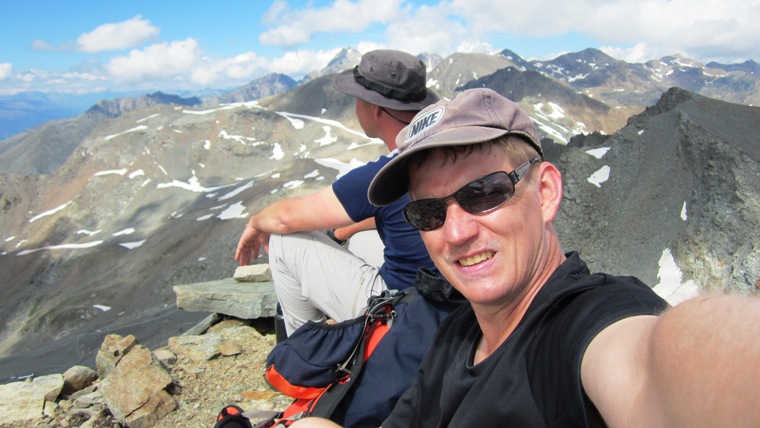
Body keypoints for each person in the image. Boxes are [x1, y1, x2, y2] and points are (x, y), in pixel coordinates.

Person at [292, 88, 760, 427]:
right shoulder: (456, 334)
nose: (455, 232)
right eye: (428, 211)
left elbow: (657, 369)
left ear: (546, 192)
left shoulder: (583, 325)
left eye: (484, 193)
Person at [235, 49, 440, 335]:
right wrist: (344, 231)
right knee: (359, 238)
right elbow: (399, 213)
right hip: (443, 302)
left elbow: (284, 218)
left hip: (403, 316)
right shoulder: (442, 149)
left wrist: (255, 221)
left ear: (375, 108)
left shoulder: (386, 171)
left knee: (285, 241)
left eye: (357, 98)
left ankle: (304, 354)